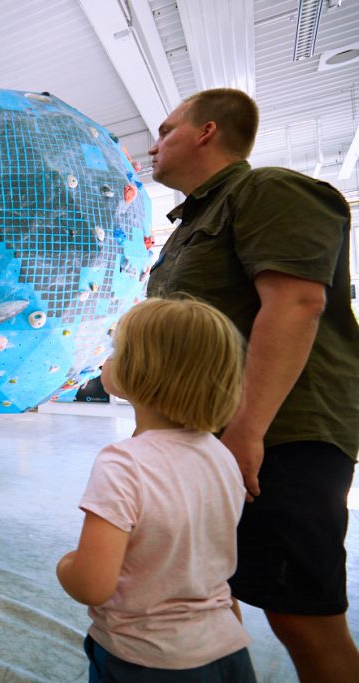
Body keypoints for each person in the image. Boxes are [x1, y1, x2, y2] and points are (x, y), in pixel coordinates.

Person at [146, 87, 359, 682]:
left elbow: (295, 301)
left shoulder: (265, 191)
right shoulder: (190, 224)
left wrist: (246, 432)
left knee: (302, 616)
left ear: (206, 132)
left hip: (280, 434)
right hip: (211, 437)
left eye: (165, 130)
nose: (153, 143)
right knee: (207, 595)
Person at [57, 297, 257, 681]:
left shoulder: (124, 463)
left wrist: (67, 565)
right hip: (227, 650)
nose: (106, 357)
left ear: (143, 371)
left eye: (117, 349)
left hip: (145, 660)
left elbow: (93, 584)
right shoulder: (221, 457)